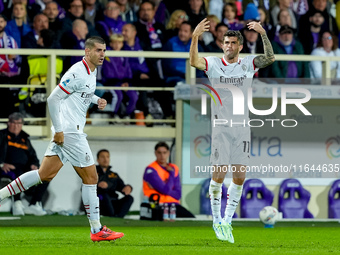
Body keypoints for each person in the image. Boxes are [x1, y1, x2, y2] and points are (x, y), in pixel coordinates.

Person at [0, 36, 124, 242]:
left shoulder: (92, 71)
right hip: (70, 132)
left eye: (104, 50)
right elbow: (53, 98)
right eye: (99, 50)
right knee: (92, 178)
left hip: (67, 131)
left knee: (44, 174)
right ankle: (96, 229)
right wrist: (58, 130)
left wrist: (96, 100)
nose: (103, 54)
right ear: (87, 52)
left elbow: (81, 93)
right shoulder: (77, 71)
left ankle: (1, 194)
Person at [189, 19, 275, 242]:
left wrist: (263, 33)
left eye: (233, 43)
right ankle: (216, 220)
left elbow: (270, 58)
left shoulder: (247, 64)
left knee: (239, 177)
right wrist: (195, 37)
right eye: (226, 42)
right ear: (222, 45)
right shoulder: (214, 64)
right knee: (218, 176)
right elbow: (193, 61)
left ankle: (228, 220)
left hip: (242, 128)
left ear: (240, 46)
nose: (229, 46)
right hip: (221, 128)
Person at [0, 112, 48, 216]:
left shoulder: (24, 139)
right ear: (9, 123)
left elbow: (33, 156)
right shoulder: (2, 135)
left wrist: (34, 164)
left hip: (24, 168)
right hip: (7, 169)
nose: (16, 126)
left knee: (45, 175)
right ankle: (17, 203)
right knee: (18, 173)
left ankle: (35, 203)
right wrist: (2, 164)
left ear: (22, 124)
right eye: (13, 123)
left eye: (19, 123)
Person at [143, 142, 195, 218]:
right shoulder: (151, 170)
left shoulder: (174, 168)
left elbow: (178, 194)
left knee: (191, 218)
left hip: (173, 205)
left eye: (164, 152)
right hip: (157, 205)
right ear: (155, 153)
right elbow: (166, 190)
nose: (162, 155)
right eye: (159, 153)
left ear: (168, 153)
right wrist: (171, 174)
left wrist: (166, 185)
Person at [96, 149, 133, 218]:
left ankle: (119, 218)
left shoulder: (114, 175)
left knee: (129, 198)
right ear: (97, 160)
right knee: (104, 195)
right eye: (103, 157)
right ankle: (112, 216)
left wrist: (128, 187)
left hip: (113, 202)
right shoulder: (93, 173)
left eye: (107, 157)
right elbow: (85, 188)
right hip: (100, 203)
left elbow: (121, 187)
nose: (105, 159)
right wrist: (99, 185)